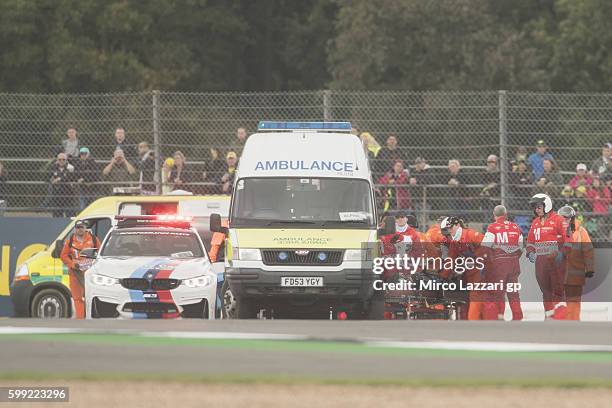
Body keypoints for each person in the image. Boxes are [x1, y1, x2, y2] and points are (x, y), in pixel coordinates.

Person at [526, 193, 567, 319]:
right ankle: (549, 316)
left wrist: (562, 252)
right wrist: (530, 251)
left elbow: (568, 238)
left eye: (539, 207)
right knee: (545, 290)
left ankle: (560, 316)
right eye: (535, 207)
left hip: (555, 260)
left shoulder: (558, 220)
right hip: (541, 261)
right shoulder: (535, 223)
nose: (537, 210)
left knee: (558, 289)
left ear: (547, 205)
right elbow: (530, 241)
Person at [480, 205, 523, 320]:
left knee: (498, 292)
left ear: (494, 215)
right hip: (514, 263)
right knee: (513, 293)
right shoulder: (516, 227)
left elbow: (484, 248)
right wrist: (512, 257)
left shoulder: (492, 227)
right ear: (506, 215)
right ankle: (518, 317)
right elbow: (521, 248)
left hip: (498, 264)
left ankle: (499, 316)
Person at [441, 216, 485, 320]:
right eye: (447, 229)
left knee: (476, 296)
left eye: (450, 228)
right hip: (470, 272)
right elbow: (451, 260)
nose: (449, 231)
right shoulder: (454, 241)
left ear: (457, 225)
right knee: (465, 297)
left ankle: (472, 323)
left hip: (482, 270)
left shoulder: (471, 235)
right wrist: (443, 276)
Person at [558, 206, 594, 321]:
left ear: (572, 218)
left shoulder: (581, 231)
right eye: (562, 218)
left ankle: (573, 324)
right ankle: (561, 325)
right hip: (560, 274)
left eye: (566, 218)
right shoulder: (555, 231)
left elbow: (588, 250)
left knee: (574, 300)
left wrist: (590, 268)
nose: (564, 221)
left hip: (575, 274)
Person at [60, 220, 101, 319]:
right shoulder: (70, 241)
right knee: (77, 298)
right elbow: (63, 256)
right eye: (78, 227)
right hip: (75, 273)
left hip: (90, 273)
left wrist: (93, 264)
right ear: (75, 229)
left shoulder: (93, 239)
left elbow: (100, 253)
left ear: (85, 228)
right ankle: (80, 320)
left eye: (82, 227)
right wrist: (73, 264)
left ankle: (93, 318)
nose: (80, 229)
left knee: (93, 296)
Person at [48, 153, 75, 217]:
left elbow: (69, 177)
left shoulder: (70, 167)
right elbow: (47, 176)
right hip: (57, 194)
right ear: (57, 160)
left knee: (70, 215)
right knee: (57, 214)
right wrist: (51, 179)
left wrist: (58, 179)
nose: (61, 161)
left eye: (63, 159)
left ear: (66, 160)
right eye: (59, 159)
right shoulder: (53, 167)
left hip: (68, 194)